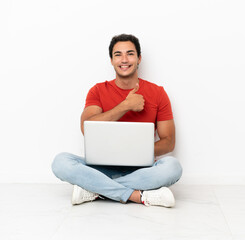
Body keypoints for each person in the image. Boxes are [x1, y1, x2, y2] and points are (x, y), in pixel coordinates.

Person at [52, 34, 182, 207]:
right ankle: (138, 196)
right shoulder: (97, 91)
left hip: (142, 169)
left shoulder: (158, 93)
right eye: (118, 55)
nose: (124, 60)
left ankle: (96, 190)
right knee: (61, 162)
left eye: (130, 53)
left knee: (173, 167)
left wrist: (133, 150)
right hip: (102, 167)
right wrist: (125, 106)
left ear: (139, 58)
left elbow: (169, 142)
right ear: (111, 60)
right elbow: (86, 127)